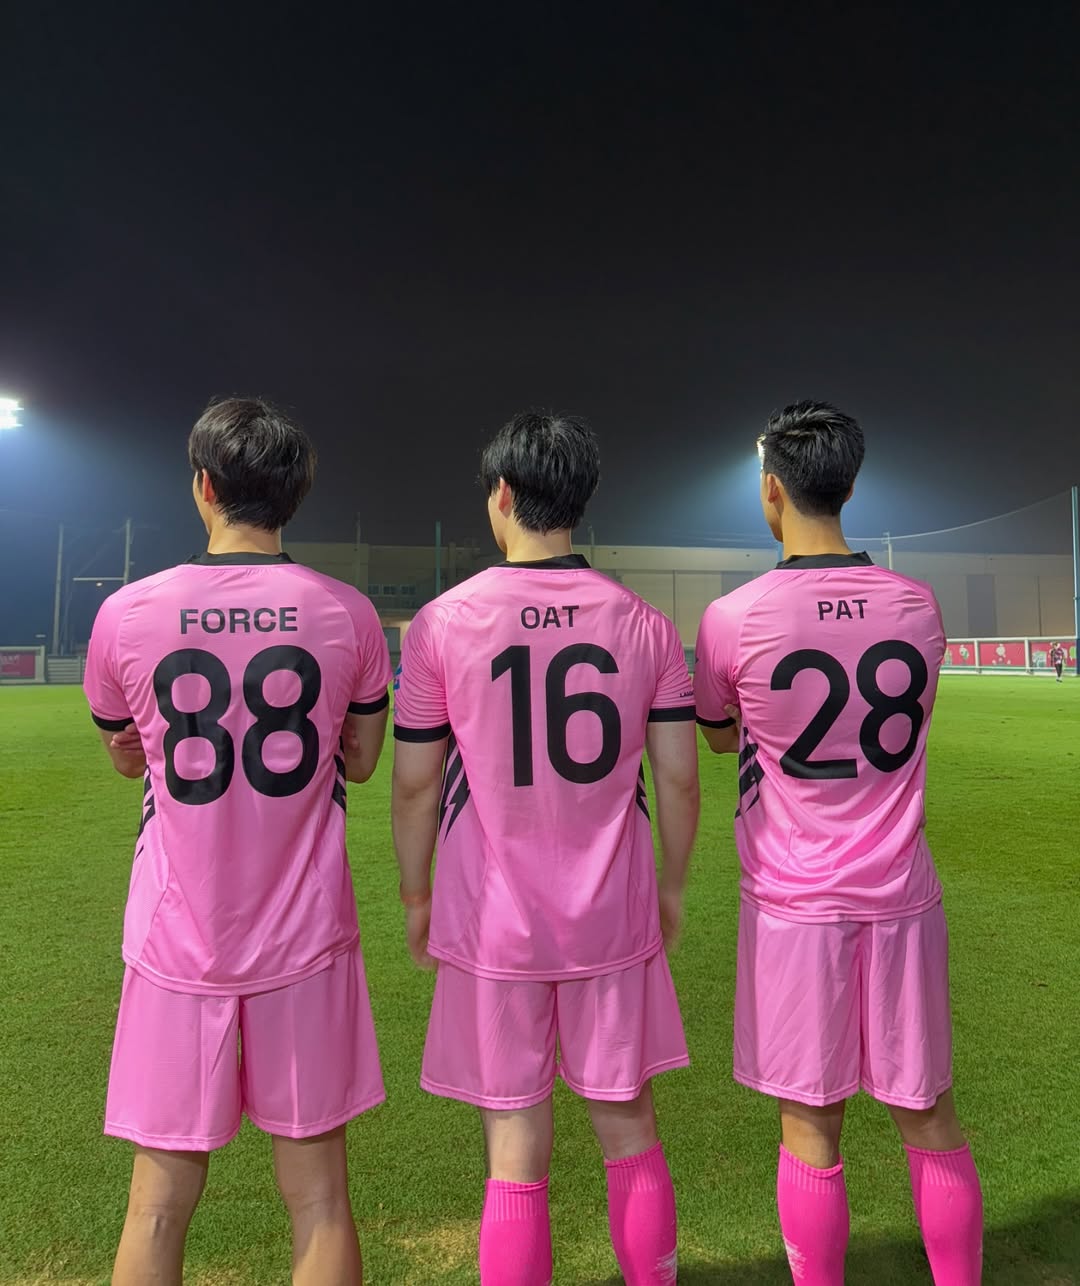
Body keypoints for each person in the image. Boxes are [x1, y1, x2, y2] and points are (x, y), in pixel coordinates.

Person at [84, 398, 391, 1286]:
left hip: (176, 941)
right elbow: (363, 759)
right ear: (294, 496)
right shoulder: (346, 613)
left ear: (205, 488)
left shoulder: (128, 613)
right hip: (305, 941)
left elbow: (126, 754)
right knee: (320, 1200)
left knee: (155, 1205)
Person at [391, 411, 699, 1286]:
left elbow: (414, 786)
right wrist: (674, 886)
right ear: (580, 499)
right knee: (629, 1130)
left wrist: (416, 895)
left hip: (494, 927)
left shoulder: (442, 624)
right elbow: (679, 780)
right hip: (612, 918)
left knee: (514, 1144)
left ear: (501, 495)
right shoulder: (644, 624)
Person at [694, 401, 983, 1286]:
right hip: (902, 896)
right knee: (929, 1116)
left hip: (795, 907)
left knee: (811, 1126)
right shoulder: (918, 606)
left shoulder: (733, 615)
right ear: (850, 487)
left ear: (770, 490)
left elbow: (718, 734)